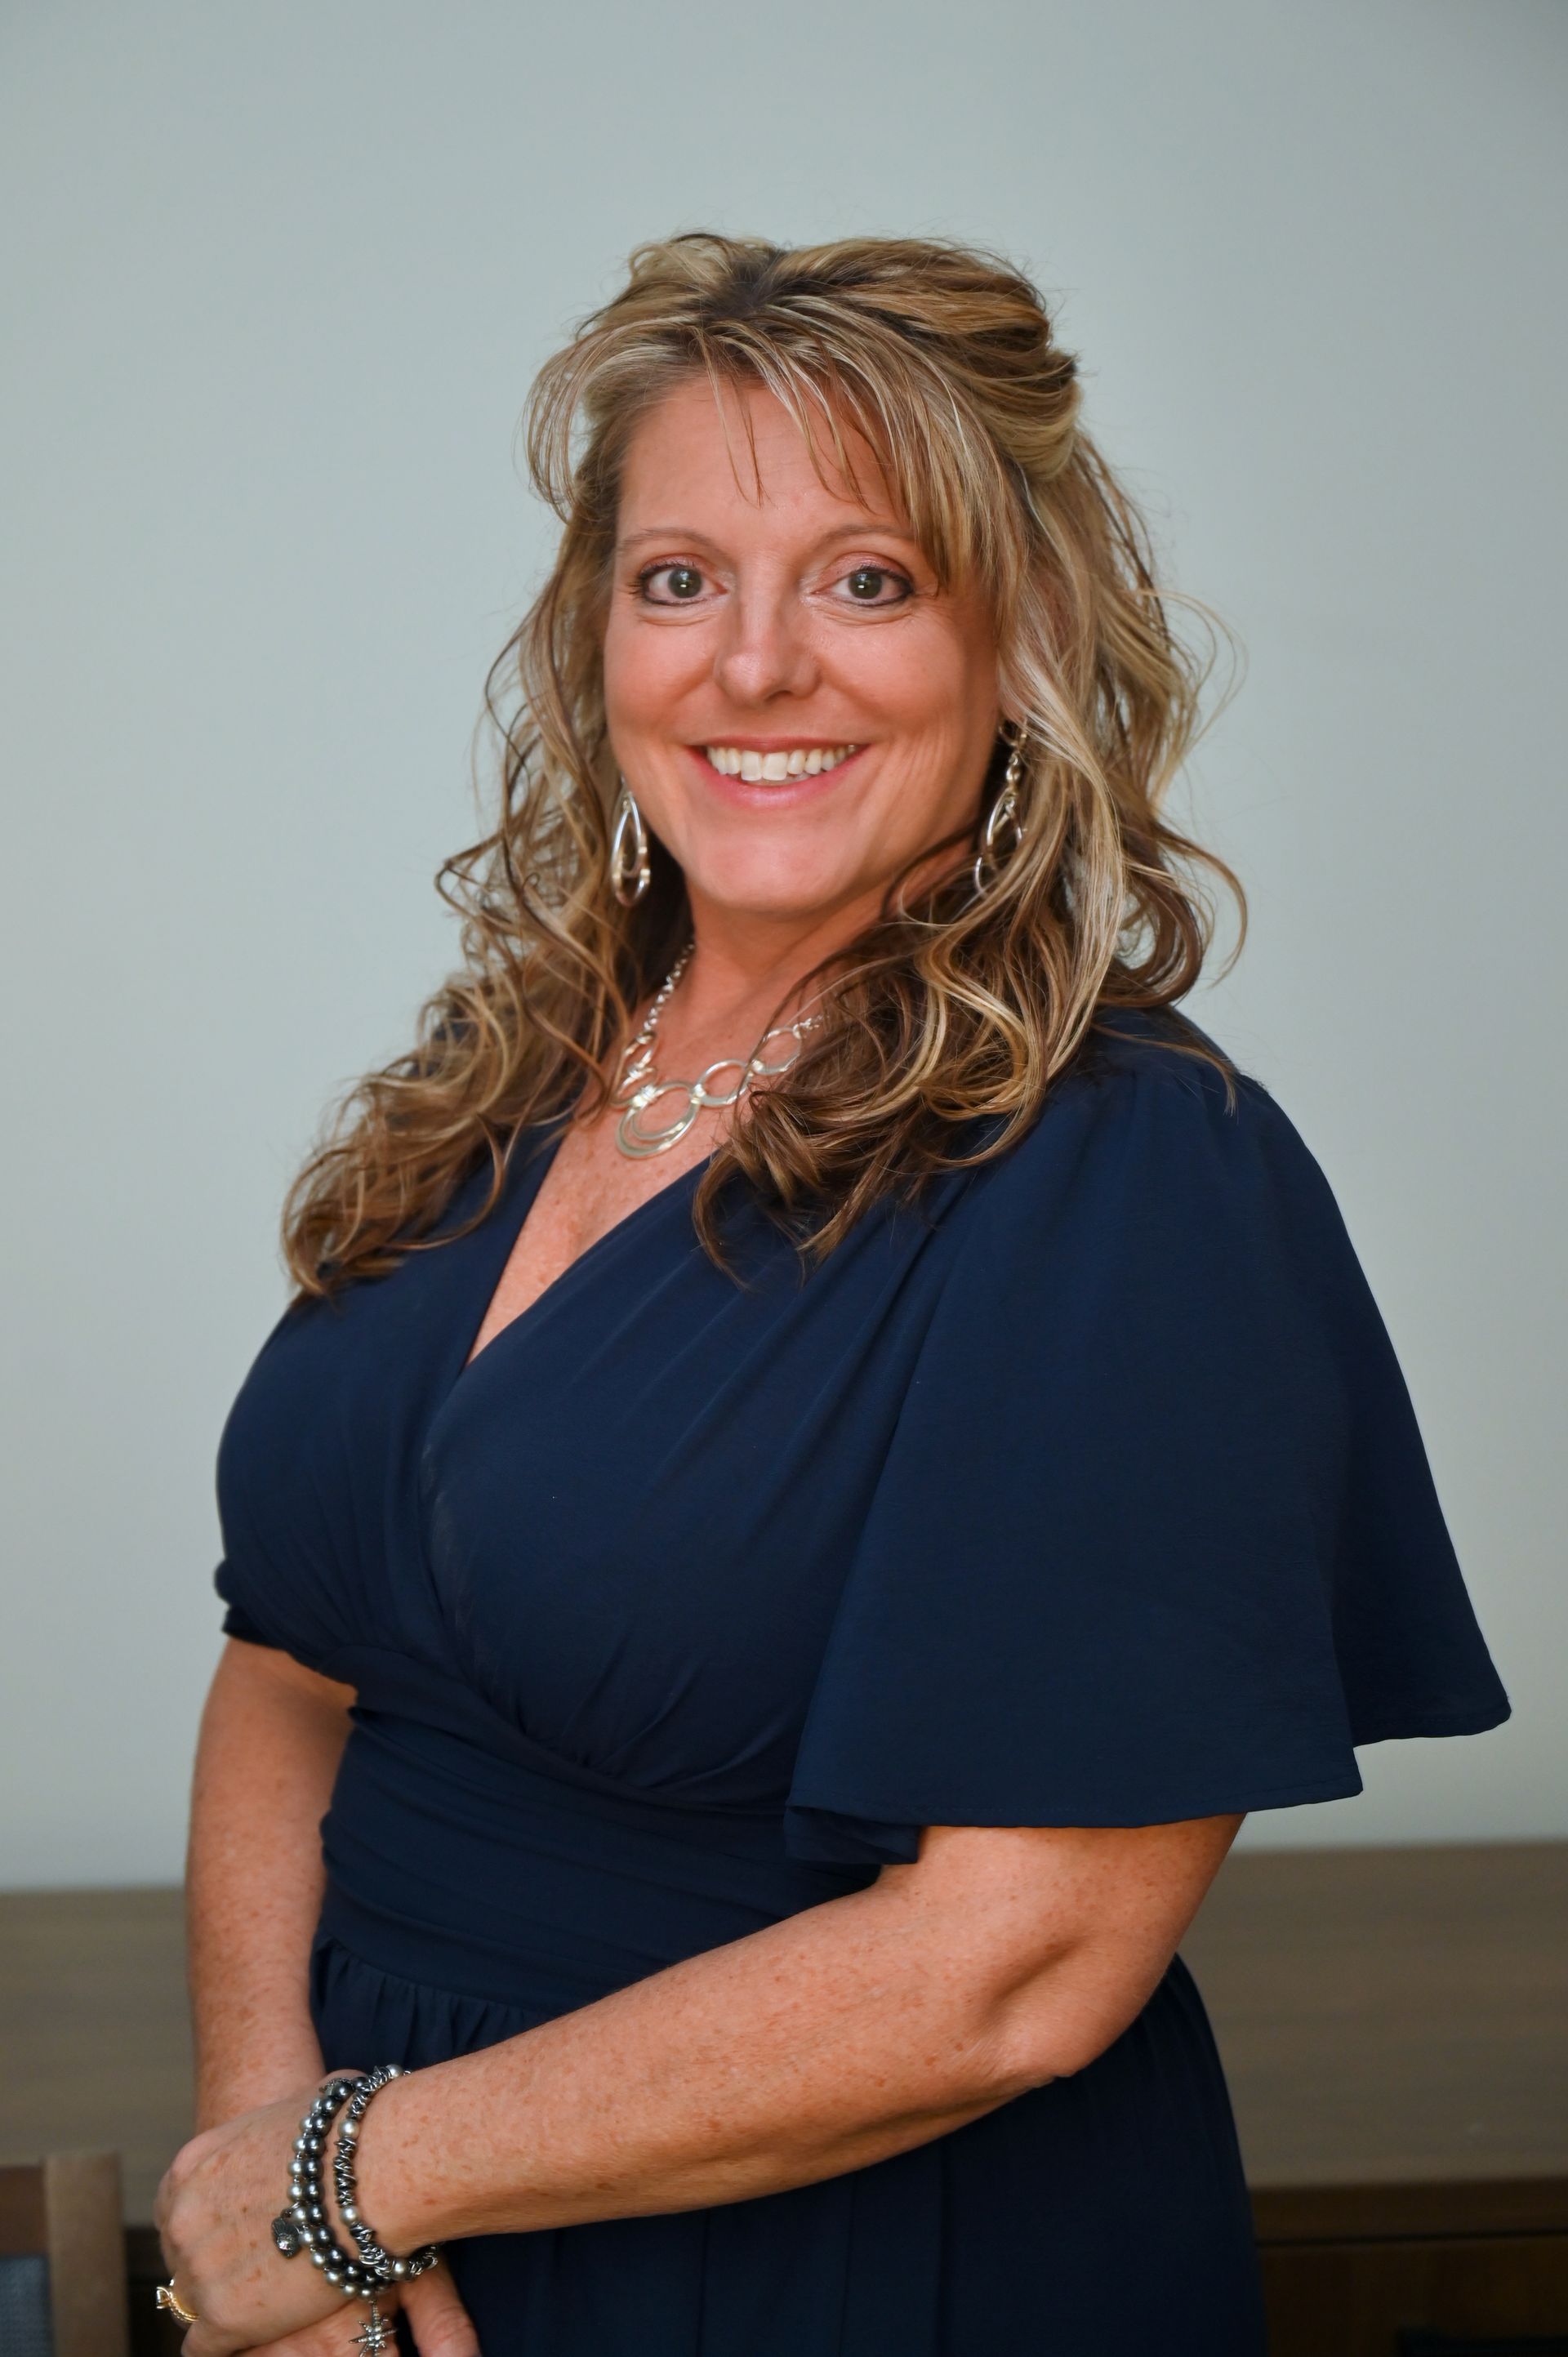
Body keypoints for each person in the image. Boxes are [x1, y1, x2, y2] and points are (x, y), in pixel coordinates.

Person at [154, 232, 1510, 2357]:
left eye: (868, 579)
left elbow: (1016, 1960)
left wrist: (348, 2183)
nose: (753, 663)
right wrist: (256, 2158)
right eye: (679, 577)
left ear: (1021, 634)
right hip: (359, 2262)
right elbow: (296, 1667)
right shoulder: (506, 1078)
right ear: (597, 634)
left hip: (838, 2272)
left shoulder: (1134, 1176)